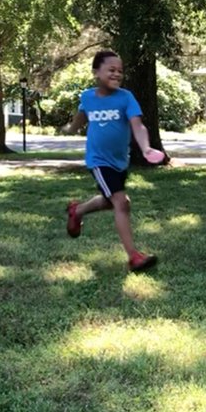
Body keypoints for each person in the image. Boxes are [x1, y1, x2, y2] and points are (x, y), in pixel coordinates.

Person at [66, 50, 159, 272]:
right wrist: (70, 128)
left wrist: (145, 147)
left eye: (120, 71)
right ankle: (133, 257)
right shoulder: (87, 97)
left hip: (120, 162)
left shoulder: (126, 97)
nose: (117, 74)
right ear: (96, 72)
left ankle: (77, 211)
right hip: (99, 161)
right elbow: (81, 117)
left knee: (110, 201)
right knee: (121, 202)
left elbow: (138, 125)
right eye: (111, 70)